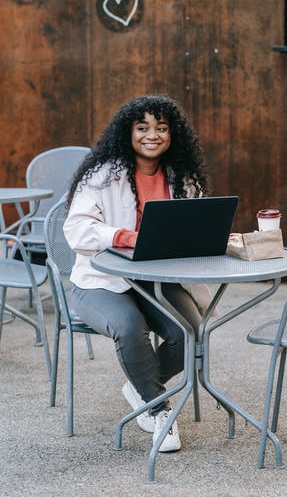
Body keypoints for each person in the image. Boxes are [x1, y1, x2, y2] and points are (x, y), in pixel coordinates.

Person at [64, 94, 210, 452]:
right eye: (142, 127)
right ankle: (156, 408)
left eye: (162, 127)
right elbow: (77, 230)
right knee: (130, 327)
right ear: (127, 132)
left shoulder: (181, 177)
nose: (153, 135)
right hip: (101, 281)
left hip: (155, 278)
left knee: (190, 332)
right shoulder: (103, 174)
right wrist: (122, 235)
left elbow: (193, 224)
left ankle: (141, 386)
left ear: (173, 134)